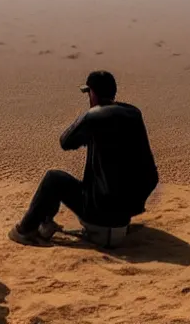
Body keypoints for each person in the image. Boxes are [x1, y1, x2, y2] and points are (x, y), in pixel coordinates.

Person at [9, 70, 159, 247]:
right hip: (122, 221)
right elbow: (151, 176)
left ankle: (25, 231)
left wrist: (87, 117)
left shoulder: (94, 117)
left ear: (92, 93)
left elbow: (65, 141)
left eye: (88, 93)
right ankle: (47, 223)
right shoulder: (134, 114)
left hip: (99, 219)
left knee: (53, 178)